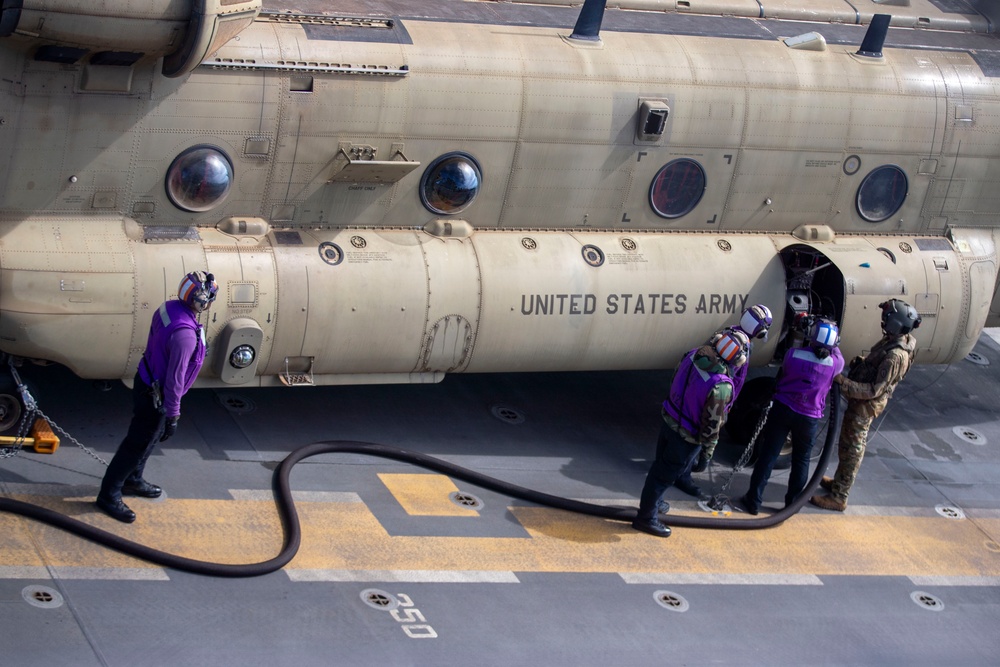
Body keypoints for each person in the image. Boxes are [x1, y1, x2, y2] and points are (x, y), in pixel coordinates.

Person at [95, 271, 218, 523]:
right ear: (201, 301)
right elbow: (175, 380)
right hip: (157, 396)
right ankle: (109, 495)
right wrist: (173, 415)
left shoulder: (170, 308)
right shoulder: (185, 336)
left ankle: (133, 479)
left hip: (146, 378)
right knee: (137, 444)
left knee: (147, 440)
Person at [633, 328, 750, 538]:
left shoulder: (692, 356)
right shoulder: (721, 385)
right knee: (662, 476)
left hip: (668, 419)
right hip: (686, 437)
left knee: (659, 468)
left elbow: (674, 379)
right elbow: (712, 426)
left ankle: (655, 502)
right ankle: (646, 518)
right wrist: (706, 455)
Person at [810, 299, 919, 512]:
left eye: (887, 320)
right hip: (860, 403)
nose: (883, 322)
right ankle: (840, 482)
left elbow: (873, 390)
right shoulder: (894, 341)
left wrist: (843, 383)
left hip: (864, 407)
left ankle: (839, 496)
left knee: (852, 449)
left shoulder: (895, 356)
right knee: (846, 445)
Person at [736, 317, 844, 515]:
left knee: (768, 456)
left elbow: (787, 367)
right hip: (809, 418)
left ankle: (753, 500)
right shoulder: (835, 363)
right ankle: (792, 504)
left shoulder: (792, 355)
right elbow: (837, 352)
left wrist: (805, 329)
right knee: (801, 460)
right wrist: (832, 336)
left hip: (783, 410)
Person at [674, 303, 773, 499]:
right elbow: (735, 377)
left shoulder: (728, 334)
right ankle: (682, 475)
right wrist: (727, 403)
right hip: (717, 396)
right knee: (699, 436)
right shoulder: (741, 347)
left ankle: (676, 466)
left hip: (702, 392)